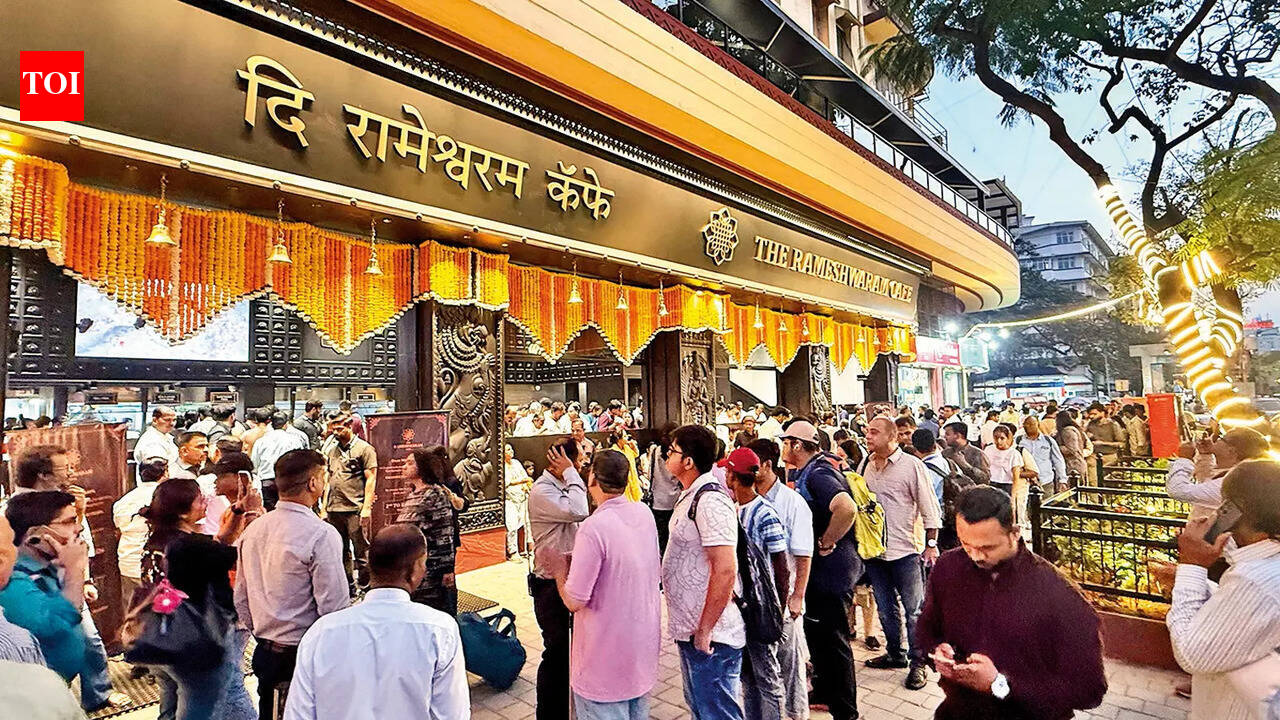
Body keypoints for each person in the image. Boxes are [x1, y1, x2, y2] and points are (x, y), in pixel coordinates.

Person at [919, 486, 1107, 719]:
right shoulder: (949, 567)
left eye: (987, 547)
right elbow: (927, 628)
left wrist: (999, 685)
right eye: (967, 544)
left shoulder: (1059, 595)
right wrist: (937, 651)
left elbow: (1089, 690)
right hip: (958, 711)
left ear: (1015, 533)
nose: (976, 556)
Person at [285, 524, 469, 720]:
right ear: (416, 570)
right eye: (423, 563)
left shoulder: (320, 633)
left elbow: (298, 714)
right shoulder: (440, 630)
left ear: (370, 566)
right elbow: (453, 714)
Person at [8, 448, 128, 713]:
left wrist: (81, 579)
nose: (71, 474)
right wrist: (74, 575)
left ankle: (96, 693)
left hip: (63, 584)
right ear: (43, 475)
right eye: (65, 469)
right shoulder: (13, 517)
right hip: (33, 695)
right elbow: (53, 624)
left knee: (89, 640)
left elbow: (73, 543)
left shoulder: (62, 504)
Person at [545, 449, 661, 720]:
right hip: (639, 651)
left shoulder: (593, 528)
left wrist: (560, 570)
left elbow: (575, 600)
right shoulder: (643, 513)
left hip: (604, 662)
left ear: (592, 478)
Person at [235, 449, 350, 720]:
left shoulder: (253, 530)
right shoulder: (320, 533)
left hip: (266, 651)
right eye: (324, 476)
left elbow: (241, 598)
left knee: (272, 712)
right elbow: (333, 607)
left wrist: (265, 633)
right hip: (304, 653)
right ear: (313, 483)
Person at [1166, 460, 1280, 720]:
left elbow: (1192, 653)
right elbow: (1239, 613)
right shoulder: (1260, 570)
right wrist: (1195, 578)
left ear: (1235, 510)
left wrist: (1191, 567)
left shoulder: (1255, 581)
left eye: (1224, 502)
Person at [137, 477, 256, 720]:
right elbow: (242, 555)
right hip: (199, 636)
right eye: (200, 499)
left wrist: (238, 510)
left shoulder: (157, 541)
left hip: (160, 633)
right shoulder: (191, 547)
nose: (206, 502)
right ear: (182, 511)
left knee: (171, 696)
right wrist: (255, 516)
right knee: (228, 690)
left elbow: (219, 544)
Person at [663, 424, 745, 720]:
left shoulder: (710, 501)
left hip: (713, 634)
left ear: (688, 462)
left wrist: (706, 628)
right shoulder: (691, 494)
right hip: (692, 625)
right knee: (701, 707)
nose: (666, 456)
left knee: (717, 712)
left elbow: (725, 570)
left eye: (672, 451)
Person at [779, 420, 859, 720]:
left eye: (785, 442)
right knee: (819, 636)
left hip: (832, 571)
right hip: (821, 572)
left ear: (796, 445)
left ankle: (846, 711)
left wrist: (826, 540)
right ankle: (825, 691)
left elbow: (846, 508)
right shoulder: (807, 471)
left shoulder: (820, 474)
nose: (783, 448)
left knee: (834, 641)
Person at [860, 417, 942, 690]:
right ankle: (896, 654)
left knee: (914, 611)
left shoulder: (912, 466)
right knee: (885, 608)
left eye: (874, 431)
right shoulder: (866, 466)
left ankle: (919, 663)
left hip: (907, 550)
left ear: (892, 436)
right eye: (867, 431)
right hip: (875, 553)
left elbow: (930, 508)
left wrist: (931, 544)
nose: (868, 435)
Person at [747, 439, 813, 720]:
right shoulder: (744, 498)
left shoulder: (791, 503)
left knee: (789, 667)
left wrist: (797, 596)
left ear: (767, 466)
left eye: (753, 466)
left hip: (783, 599)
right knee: (756, 671)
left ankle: (796, 714)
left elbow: (802, 553)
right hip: (755, 600)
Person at [724, 447, 790, 720]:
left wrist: (778, 609)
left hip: (761, 607)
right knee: (748, 677)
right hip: (743, 606)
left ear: (733, 476)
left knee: (767, 677)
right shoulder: (734, 509)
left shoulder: (764, 513)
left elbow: (781, 566)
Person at [527, 439, 590, 720]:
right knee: (556, 653)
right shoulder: (542, 492)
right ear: (560, 461)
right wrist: (571, 473)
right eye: (577, 459)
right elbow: (579, 510)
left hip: (569, 577)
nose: (581, 464)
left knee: (574, 651)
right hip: (549, 584)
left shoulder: (563, 486)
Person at [0, 491, 88, 682]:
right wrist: (74, 571)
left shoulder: (45, 568)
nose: (78, 528)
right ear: (35, 536)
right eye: (69, 522)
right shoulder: (12, 582)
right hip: (35, 691)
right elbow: (56, 625)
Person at [395, 447, 458, 615]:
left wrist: (447, 569)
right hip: (412, 572)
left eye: (409, 463)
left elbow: (444, 533)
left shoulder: (435, 493)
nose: (404, 466)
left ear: (422, 467)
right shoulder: (414, 494)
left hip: (431, 573)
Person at [321, 417, 378, 593]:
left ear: (349, 427)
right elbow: (328, 480)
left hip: (354, 507)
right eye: (333, 430)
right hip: (334, 508)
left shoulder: (364, 449)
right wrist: (324, 507)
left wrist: (367, 507)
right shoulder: (331, 451)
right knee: (340, 551)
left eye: (339, 429)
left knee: (362, 551)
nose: (336, 433)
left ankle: (366, 587)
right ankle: (348, 587)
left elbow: (371, 478)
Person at [1167, 427, 1270, 521]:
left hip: (1214, 540)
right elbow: (1206, 480)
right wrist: (1205, 455)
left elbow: (1178, 490)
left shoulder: (1234, 484)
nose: (1216, 440)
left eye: (1221, 438)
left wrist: (1184, 459)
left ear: (1231, 451)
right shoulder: (1239, 475)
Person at [114, 457, 168, 605]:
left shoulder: (123, 502)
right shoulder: (165, 499)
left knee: (133, 613)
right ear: (165, 473)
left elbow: (119, 530)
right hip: (157, 566)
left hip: (129, 562)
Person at [252, 411, 310, 506]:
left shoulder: (261, 441)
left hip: (267, 482)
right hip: (288, 482)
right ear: (286, 424)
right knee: (288, 511)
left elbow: (254, 464)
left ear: (271, 424)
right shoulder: (294, 440)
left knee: (269, 513)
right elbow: (300, 462)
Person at [647, 424, 681, 557]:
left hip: (658, 501)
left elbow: (651, 474)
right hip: (675, 501)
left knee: (661, 539)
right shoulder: (677, 454)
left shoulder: (655, 451)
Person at [1018, 416, 1068, 494]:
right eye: (1027, 424)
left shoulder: (1048, 441)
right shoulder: (1018, 441)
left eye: (1032, 424)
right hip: (1025, 483)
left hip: (1045, 482)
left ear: (1038, 424)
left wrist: (1062, 479)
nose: (1029, 426)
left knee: (1046, 504)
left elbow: (1058, 461)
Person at [503, 444, 532, 557]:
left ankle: (523, 549)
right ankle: (513, 551)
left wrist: (525, 485)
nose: (511, 451)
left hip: (521, 497)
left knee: (524, 523)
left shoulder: (516, 463)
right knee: (512, 524)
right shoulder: (502, 466)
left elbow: (526, 478)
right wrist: (522, 481)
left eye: (511, 449)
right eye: (508, 449)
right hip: (510, 499)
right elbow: (507, 482)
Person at [941, 423, 989, 488]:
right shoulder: (945, 453)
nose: (944, 437)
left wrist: (965, 465)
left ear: (958, 435)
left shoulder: (977, 454)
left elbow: (985, 480)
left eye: (947, 434)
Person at [983, 425, 1023, 501]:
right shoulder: (989, 449)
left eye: (1002, 438)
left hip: (1007, 485)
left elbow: (1016, 479)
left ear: (1008, 438)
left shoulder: (1014, 454)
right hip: (991, 484)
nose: (999, 441)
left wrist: (1013, 499)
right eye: (996, 438)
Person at [1054, 410, 1089, 487]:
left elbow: (1071, 449)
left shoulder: (1068, 431)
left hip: (1073, 466)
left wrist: (1055, 448)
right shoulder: (1073, 429)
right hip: (1075, 465)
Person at [1085, 402, 1126, 467]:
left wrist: (1103, 443)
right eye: (1090, 414)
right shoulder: (1090, 425)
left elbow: (1121, 444)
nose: (1091, 416)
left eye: (1094, 414)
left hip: (1109, 456)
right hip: (1094, 456)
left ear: (1102, 413)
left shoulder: (1113, 425)